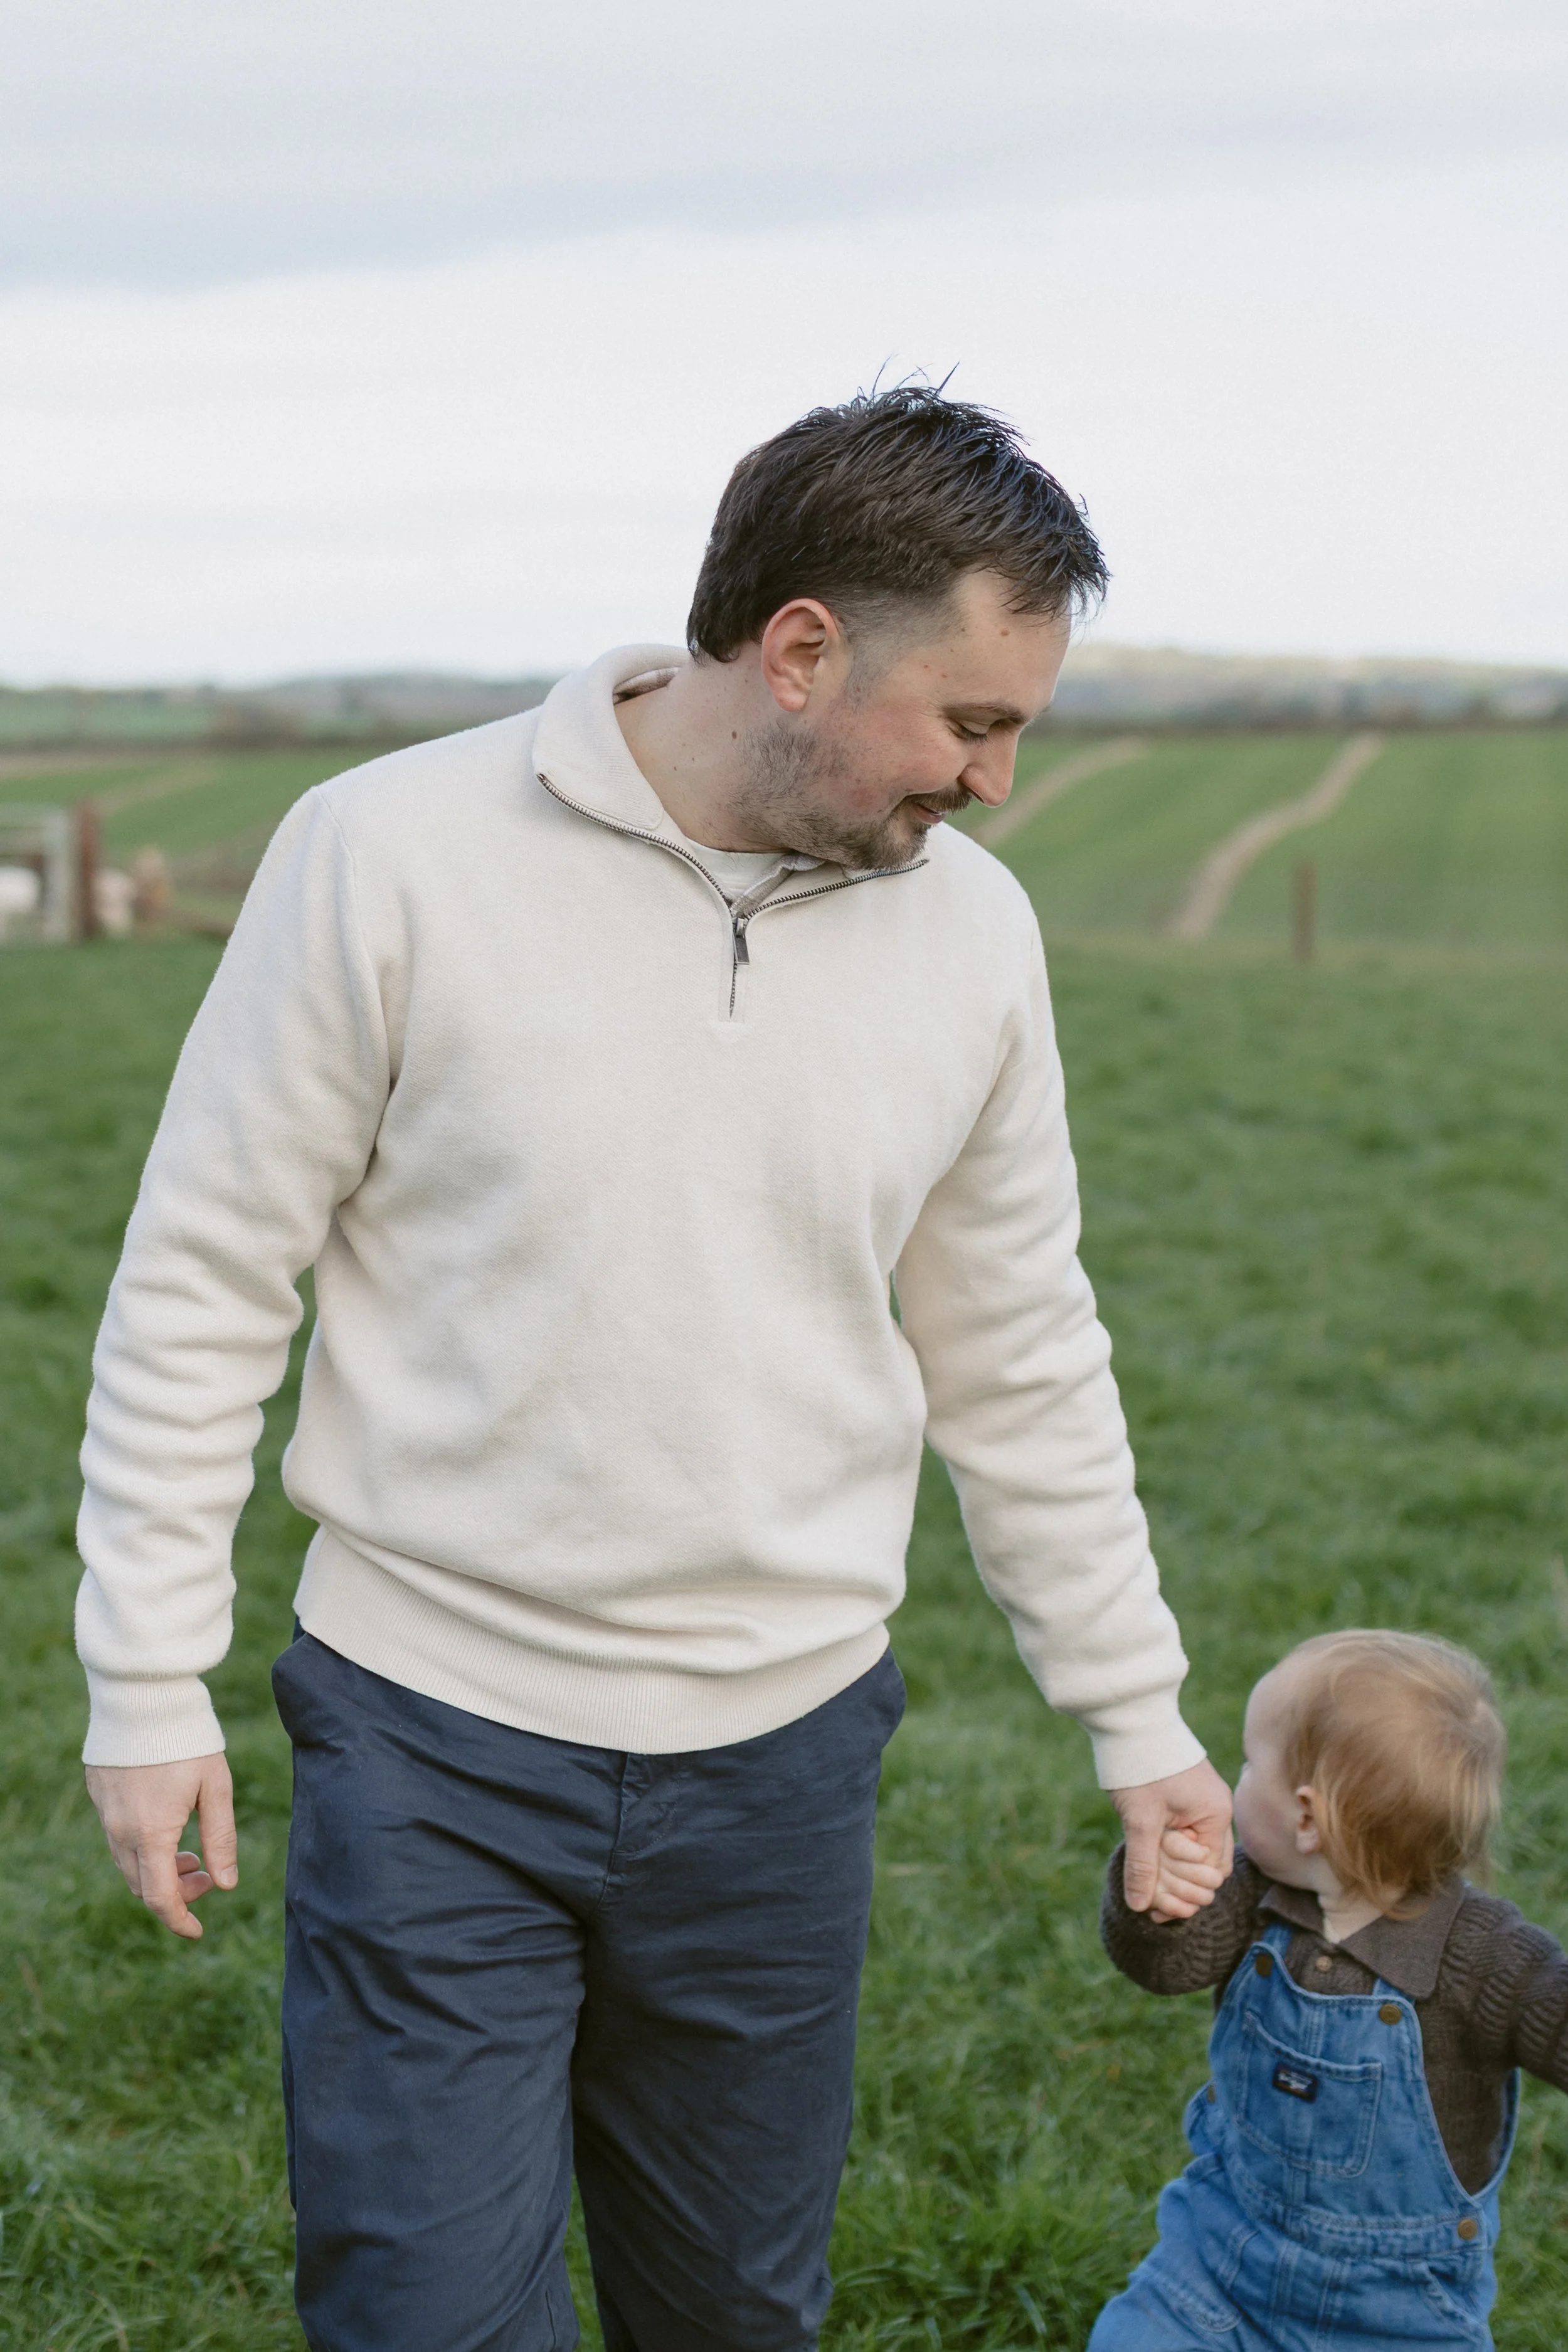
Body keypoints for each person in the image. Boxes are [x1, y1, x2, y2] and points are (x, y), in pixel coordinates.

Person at [75, 386, 1232, 2352]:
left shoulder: (973, 941)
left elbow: (1019, 1346)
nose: (999, 780)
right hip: (428, 1732)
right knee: (424, 2313)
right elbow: (205, 1271)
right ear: (797, 648)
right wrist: (145, 1669)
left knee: (730, 2315)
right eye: (971, 721)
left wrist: (1139, 1720)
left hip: (778, 1768)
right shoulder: (383, 853)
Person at [1093, 1628, 1568, 2351]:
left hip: (1397, 2312)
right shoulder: (1250, 1890)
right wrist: (1158, 1900)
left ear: (1308, 1818)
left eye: (1251, 1764)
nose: (1237, 1777)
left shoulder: (1484, 1959)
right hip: (1220, 2259)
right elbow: (1165, 1969)